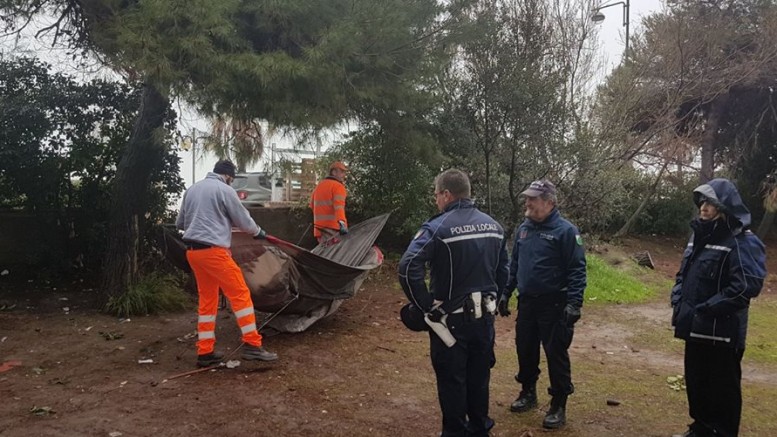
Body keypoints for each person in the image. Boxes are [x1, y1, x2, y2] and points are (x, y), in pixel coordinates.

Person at [398, 169, 509, 437]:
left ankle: (456, 432)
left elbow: (408, 266)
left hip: (450, 322)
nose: (436, 200)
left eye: (436, 195)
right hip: (485, 318)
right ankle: (480, 428)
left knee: (452, 380)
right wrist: (496, 297)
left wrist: (425, 306)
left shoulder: (437, 227)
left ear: (447, 194)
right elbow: (503, 270)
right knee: (480, 376)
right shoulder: (494, 226)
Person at [670, 178, 766, 437]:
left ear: (724, 207)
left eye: (711, 202)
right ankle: (700, 428)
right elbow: (683, 274)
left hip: (722, 331)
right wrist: (678, 300)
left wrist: (707, 308)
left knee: (722, 388)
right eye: (702, 201)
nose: (704, 206)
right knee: (696, 381)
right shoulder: (697, 237)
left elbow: (746, 286)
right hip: (694, 325)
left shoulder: (742, 241)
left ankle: (721, 432)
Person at [497, 179, 586, 430]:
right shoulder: (523, 229)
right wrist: (506, 293)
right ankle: (528, 393)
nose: (527, 203)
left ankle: (558, 404)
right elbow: (515, 265)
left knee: (556, 354)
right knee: (525, 349)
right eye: (527, 198)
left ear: (549, 202)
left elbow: (577, 270)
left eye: (532, 199)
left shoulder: (566, 231)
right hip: (527, 303)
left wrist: (574, 304)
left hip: (554, 305)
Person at [176, 160, 279, 368]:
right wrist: (258, 232)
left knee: (208, 301)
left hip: (194, 253)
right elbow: (243, 220)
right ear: (229, 177)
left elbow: (180, 223)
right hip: (214, 253)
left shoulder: (192, 190)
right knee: (240, 294)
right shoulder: (224, 190)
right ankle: (252, 345)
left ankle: (204, 352)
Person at [310, 161, 348, 244]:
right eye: (341, 172)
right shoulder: (338, 187)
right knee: (334, 256)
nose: (343, 175)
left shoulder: (319, 186)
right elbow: (339, 207)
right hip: (333, 231)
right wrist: (342, 224)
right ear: (334, 172)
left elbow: (312, 205)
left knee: (324, 254)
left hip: (319, 230)